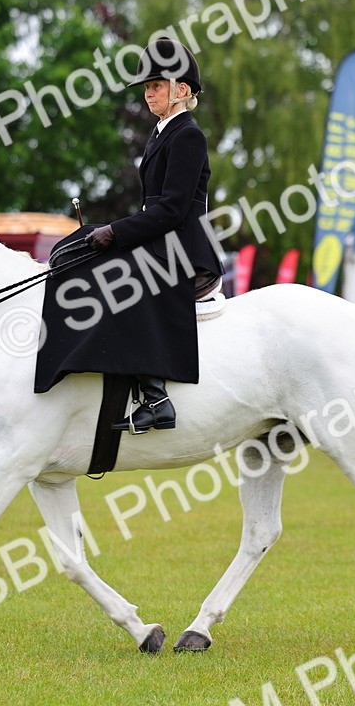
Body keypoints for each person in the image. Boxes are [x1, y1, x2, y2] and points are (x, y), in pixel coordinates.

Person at [82, 37, 224, 434]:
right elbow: (151, 210)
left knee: (120, 283)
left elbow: (172, 210)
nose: (148, 94)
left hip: (185, 252)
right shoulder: (161, 134)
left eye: (156, 86)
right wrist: (104, 231)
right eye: (146, 87)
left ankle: (156, 396)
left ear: (181, 90)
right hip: (163, 245)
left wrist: (116, 231)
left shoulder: (188, 136)